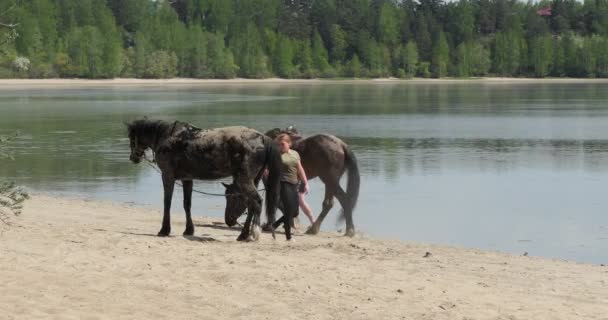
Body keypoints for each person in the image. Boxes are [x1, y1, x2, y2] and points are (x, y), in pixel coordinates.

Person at [271, 133, 309, 240]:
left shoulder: (295, 154)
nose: (280, 146)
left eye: (282, 144)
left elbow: (300, 169)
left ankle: (274, 225)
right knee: (288, 210)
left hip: (294, 184)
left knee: (295, 212)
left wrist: (305, 183)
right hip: (283, 183)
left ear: (289, 144)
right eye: (278, 144)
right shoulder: (276, 155)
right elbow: (267, 170)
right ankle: (288, 237)